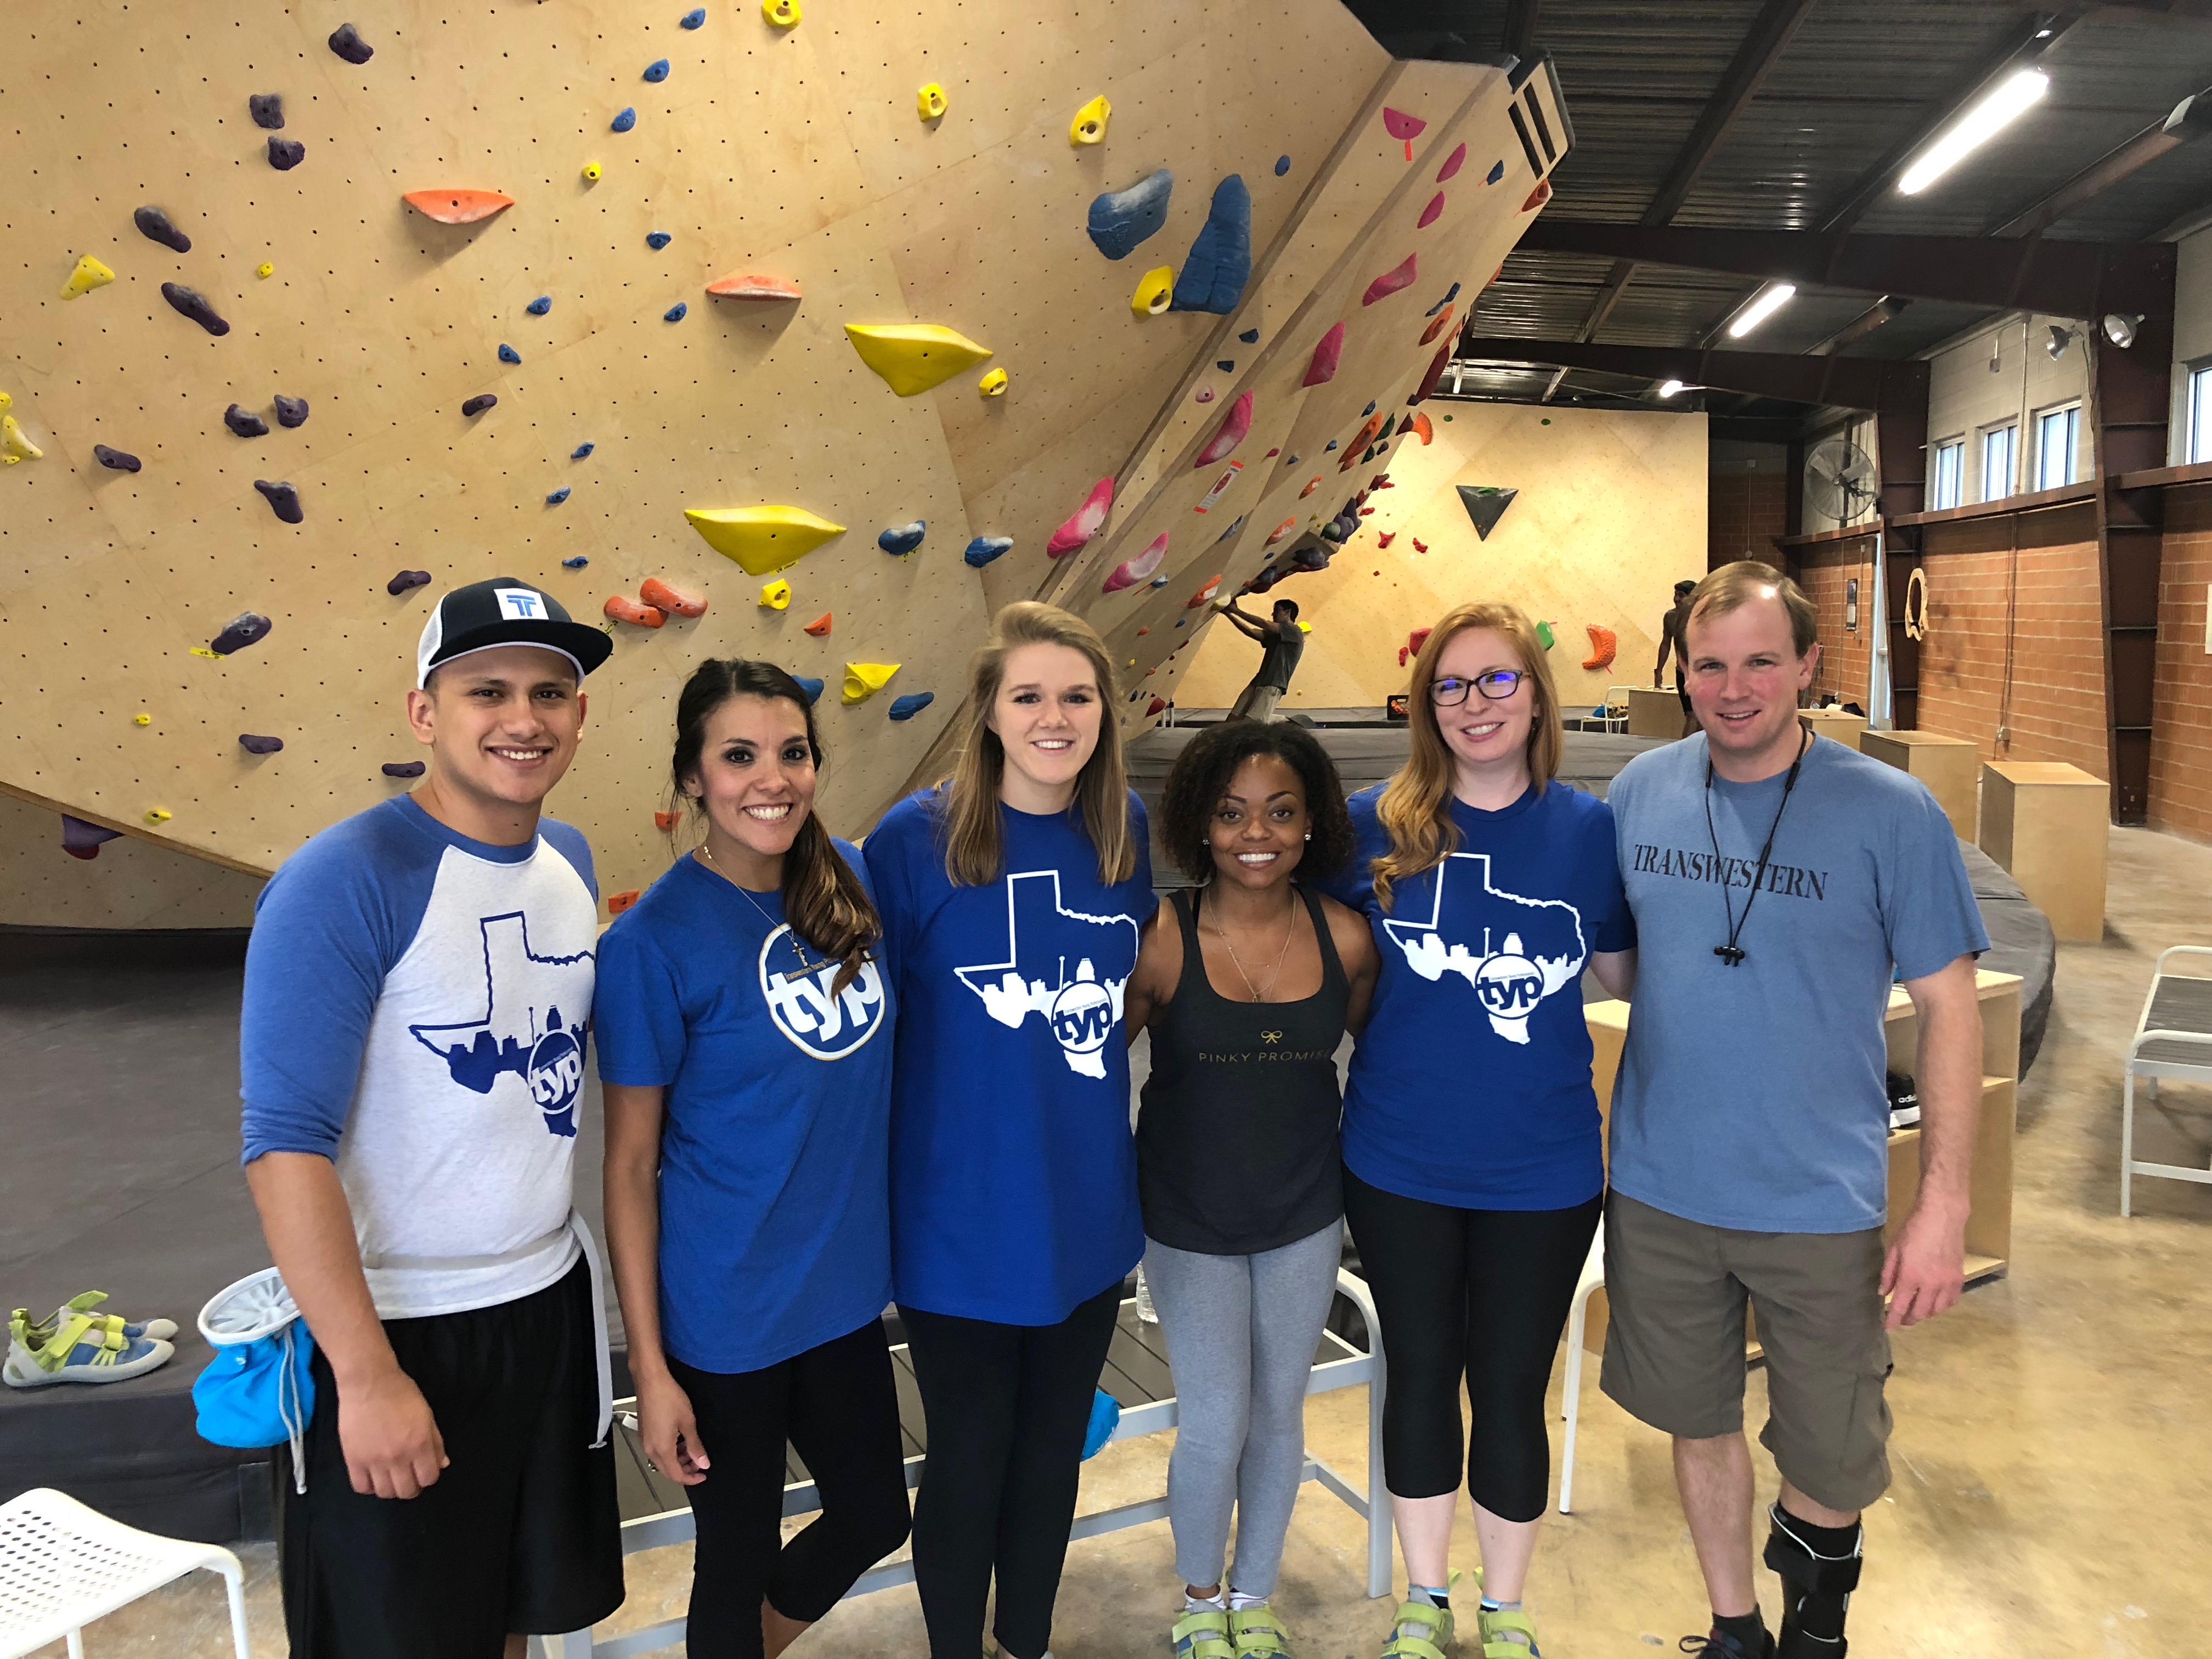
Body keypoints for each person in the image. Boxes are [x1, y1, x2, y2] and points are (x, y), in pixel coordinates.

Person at [1603, 562, 1988, 1659]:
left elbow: (1949, 1006)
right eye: (1710, 665)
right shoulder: (1641, 790)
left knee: (1831, 1451)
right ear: (1684, 672)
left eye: (1762, 661)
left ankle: (1815, 1632)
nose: (1734, 689)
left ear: (1810, 666)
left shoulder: (1892, 813)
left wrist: (1944, 1204)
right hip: (1661, 1186)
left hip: (1819, 1198)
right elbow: (1617, 965)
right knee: (1698, 1417)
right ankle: (1734, 1627)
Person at [238, 577, 623, 1659]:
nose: (523, 720)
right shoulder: (339, 882)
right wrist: (362, 1375)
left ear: (580, 717)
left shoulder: (572, 864)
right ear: (424, 714)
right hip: (400, 1329)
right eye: (486, 691)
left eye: (552, 693)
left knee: (509, 1626)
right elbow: (282, 1150)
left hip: (544, 1306)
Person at [1321, 602, 1636, 1659]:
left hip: (1541, 1166)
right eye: (1451, 686)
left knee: (1509, 1385)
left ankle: (1503, 1604)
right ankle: (1423, 1595)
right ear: (1425, 706)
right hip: (1398, 1152)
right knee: (1419, 1368)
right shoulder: (1375, 823)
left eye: (1497, 680)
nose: (1474, 704)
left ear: (1536, 694)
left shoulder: (1587, 831)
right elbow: (1305, 949)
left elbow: (1630, 973)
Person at [594, 659, 910, 1659]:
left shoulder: (850, 880)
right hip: (725, 1308)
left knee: (872, 1513)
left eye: (792, 752)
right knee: (731, 1551)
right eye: (737, 756)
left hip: (842, 1289)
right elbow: (630, 1165)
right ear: (692, 778)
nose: (769, 778)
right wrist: (649, 1365)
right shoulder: (651, 943)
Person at [862, 601, 1156, 1659]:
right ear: (987, 711)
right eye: (1027, 694)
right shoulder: (913, 840)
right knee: (970, 1455)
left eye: (1076, 694)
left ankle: (1026, 1640)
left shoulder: (1124, 831)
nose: (1053, 714)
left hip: (1085, 1207)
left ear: (1102, 712)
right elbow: (868, 1024)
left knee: (1049, 1460)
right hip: (960, 1216)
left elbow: (1130, 985)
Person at [1123, 722, 1379, 1659]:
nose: (1254, 832)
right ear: (1200, 823)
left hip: (1303, 1211)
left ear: (1312, 821)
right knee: (1217, 1413)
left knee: (1279, 1409)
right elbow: (1086, 1064)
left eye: (1279, 810)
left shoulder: (1346, 937)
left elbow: (1378, 1052)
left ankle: (1253, 1592)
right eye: (1230, 813)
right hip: (1187, 1217)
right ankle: (1200, 1597)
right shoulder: (1160, 936)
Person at [1218, 597, 1306, 723]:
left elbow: (1264, 624)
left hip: (1274, 685)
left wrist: (1236, 611)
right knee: (1233, 720)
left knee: (1252, 723)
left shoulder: (1294, 631)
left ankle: (1282, 722)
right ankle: (1278, 720)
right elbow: (1250, 632)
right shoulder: (1275, 634)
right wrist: (1228, 614)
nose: (1273, 615)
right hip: (1258, 682)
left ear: (1288, 612)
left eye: (1277, 611)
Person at [1655, 577, 1698, 714]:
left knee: (1701, 717)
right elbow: (1665, 644)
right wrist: (1659, 671)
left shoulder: (1701, 617)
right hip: (1682, 671)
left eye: (1681, 595)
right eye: (1676, 594)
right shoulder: (1671, 617)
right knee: (1691, 715)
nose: (1677, 599)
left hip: (1700, 671)